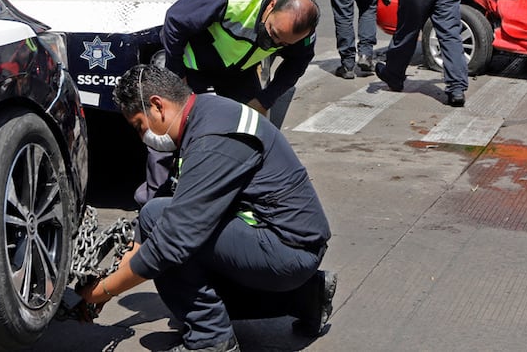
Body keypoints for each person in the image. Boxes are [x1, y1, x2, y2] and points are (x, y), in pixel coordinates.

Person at [77, 65, 336, 352]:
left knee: (169, 240)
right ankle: (306, 296)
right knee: (159, 223)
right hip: (286, 242)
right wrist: (122, 268)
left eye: (140, 125)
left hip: (287, 248)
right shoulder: (207, 112)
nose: (143, 137)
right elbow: (159, 217)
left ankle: (210, 341)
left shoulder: (213, 139)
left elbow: (171, 240)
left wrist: (101, 291)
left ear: (157, 106)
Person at [139, 0, 318, 205]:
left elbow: (298, 62)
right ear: (271, 5)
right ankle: (154, 204)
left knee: (250, 133)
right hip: (194, 67)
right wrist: (176, 75)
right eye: (274, 33)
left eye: (283, 43)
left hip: (239, 72)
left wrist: (266, 99)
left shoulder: (303, 27)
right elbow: (175, 21)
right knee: (171, 130)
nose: (275, 43)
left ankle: (234, 200)